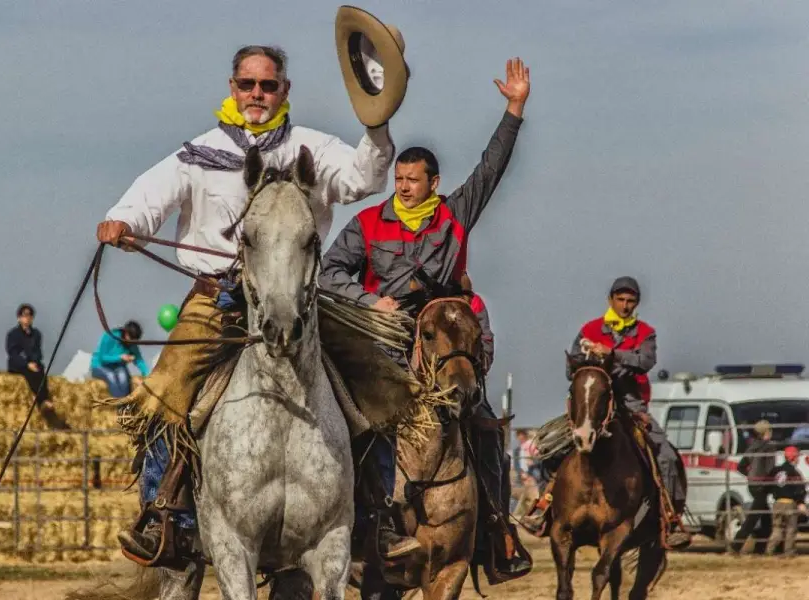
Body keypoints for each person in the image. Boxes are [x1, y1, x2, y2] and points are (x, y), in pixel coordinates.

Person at [97, 40, 401, 566]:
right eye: (247, 84)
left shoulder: (311, 147)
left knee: (380, 385)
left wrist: (376, 124)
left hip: (300, 301)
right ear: (231, 88)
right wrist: (124, 222)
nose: (257, 94)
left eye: (268, 85)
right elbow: (151, 196)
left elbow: (362, 178)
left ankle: (380, 519)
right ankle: (166, 518)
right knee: (163, 396)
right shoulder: (198, 152)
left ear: (285, 90)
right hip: (217, 300)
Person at [319, 57, 532, 578]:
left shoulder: (455, 215)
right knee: (361, 423)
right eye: (400, 178)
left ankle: (498, 530)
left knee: (483, 424)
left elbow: (491, 169)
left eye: (414, 180)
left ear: (434, 183)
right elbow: (329, 273)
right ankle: (349, 525)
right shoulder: (367, 223)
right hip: (384, 341)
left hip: (444, 344)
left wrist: (514, 109)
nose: (404, 187)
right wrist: (372, 303)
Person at [522, 277, 691, 549]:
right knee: (549, 447)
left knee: (666, 454)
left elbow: (645, 361)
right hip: (591, 404)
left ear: (636, 303)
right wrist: (592, 358)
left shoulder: (645, 333)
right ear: (610, 300)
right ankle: (544, 506)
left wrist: (612, 353)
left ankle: (670, 517)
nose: (625, 306)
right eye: (620, 300)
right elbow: (571, 369)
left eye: (630, 301)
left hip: (630, 404)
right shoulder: (589, 329)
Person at [731, 419, 776, 554]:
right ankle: (736, 546)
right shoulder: (769, 446)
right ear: (766, 432)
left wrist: (750, 475)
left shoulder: (753, 446)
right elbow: (770, 469)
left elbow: (740, 466)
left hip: (753, 485)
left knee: (766, 519)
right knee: (753, 519)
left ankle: (760, 549)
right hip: (763, 485)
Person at [6, 303, 52, 410]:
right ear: (19, 318)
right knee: (30, 373)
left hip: (32, 363)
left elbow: (38, 352)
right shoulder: (13, 334)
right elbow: (12, 353)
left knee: (41, 371)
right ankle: (41, 401)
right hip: (18, 364)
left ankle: (45, 399)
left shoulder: (36, 334)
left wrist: (35, 361)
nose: (27, 318)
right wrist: (26, 363)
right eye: (25, 315)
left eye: (30, 315)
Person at [766, 445, 807, 557]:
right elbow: (800, 490)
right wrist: (800, 502)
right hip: (790, 504)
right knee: (790, 529)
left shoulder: (775, 470)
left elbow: (767, 484)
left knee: (777, 529)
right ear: (793, 458)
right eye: (797, 457)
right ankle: (789, 552)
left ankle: (769, 550)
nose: (798, 459)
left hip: (777, 503)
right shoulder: (794, 473)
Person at [90, 320, 149, 398]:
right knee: (111, 376)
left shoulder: (132, 344)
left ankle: (123, 404)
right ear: (126, 333)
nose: (131, 343)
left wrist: (148, 375)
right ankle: (118, 404)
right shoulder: (110, 336)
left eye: (134, 341)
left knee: (123, 376)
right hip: (99, 366)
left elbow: (139, 360)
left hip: (118, 368)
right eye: (131, 339)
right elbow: (102, 358)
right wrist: (120, 357)